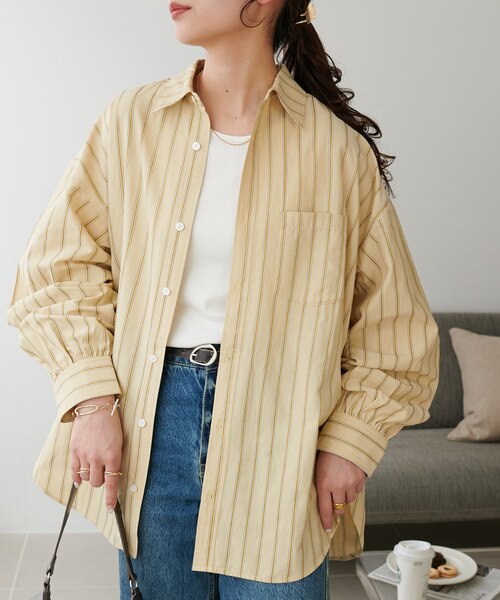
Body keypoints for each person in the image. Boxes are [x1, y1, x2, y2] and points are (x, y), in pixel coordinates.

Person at [6, 0, 440, 598]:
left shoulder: (337, 153)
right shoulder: (131, 123)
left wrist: (351, 442)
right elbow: (58, 268)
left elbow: (396, 328)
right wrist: (91, 401)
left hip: (283, 433)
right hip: (150, 426)